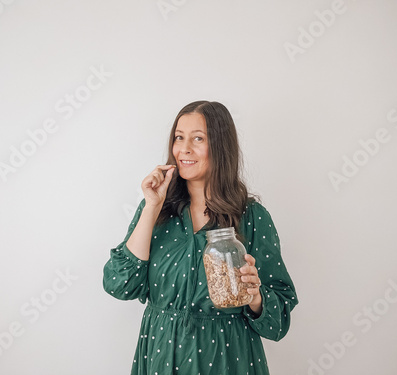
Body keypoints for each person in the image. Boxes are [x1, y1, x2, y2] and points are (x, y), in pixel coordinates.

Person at [103, 100, 298, 374]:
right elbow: (119, 284)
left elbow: (279, 322)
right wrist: (151, 207)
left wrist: (256, 297)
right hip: (162, 356)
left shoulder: (252, 216)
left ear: (220, 146)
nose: (184, 149)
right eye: (179, 138)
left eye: (198, 139)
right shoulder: (157, 211)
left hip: (228, 360)